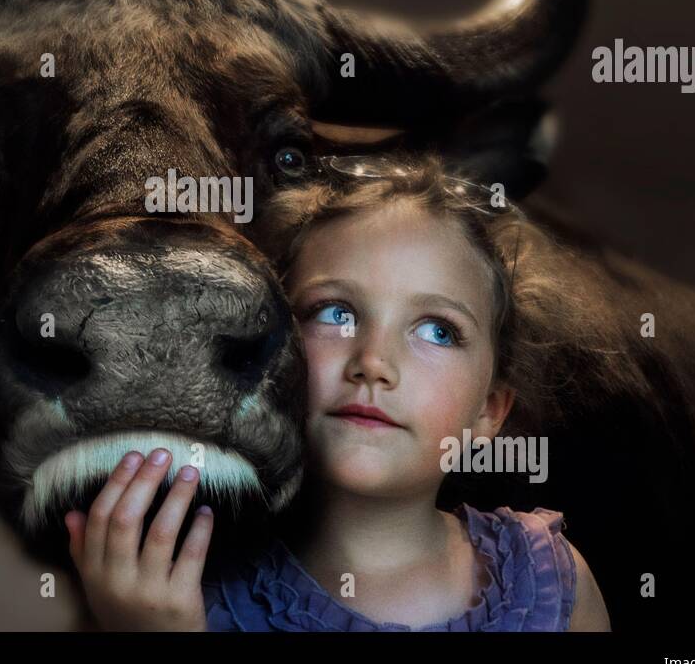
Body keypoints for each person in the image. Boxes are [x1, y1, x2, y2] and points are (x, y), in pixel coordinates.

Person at [64, 153, 611, 631]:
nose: (373, 363)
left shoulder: (554, 583)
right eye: (335, 313)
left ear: (488, 414)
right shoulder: (174, 594)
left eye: (437, 330)